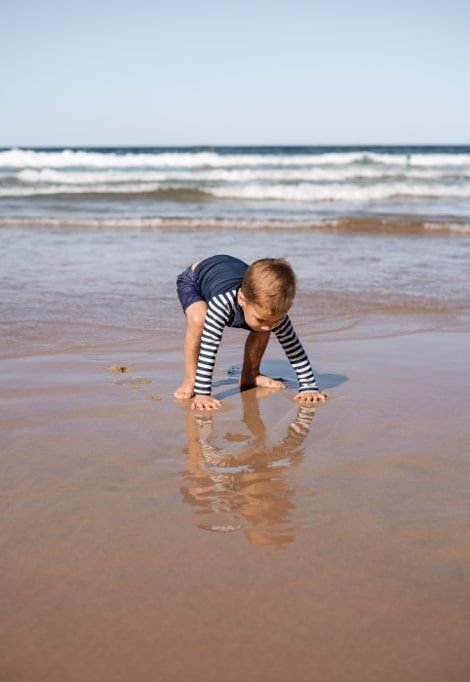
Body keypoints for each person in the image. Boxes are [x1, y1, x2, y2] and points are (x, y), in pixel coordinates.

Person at [174, 254, 327, 410]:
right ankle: (190, 379)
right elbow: (209, 347)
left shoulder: (270, 311)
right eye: (261, 319)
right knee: (199, 320)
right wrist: (203, 394)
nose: (268, 327)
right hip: (195, 280)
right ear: (242, 299)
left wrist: (309, 387)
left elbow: (294, 349)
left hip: (231, 272)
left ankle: (250, 375)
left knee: (263, 326)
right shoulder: (223, 303)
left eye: (275, 320)